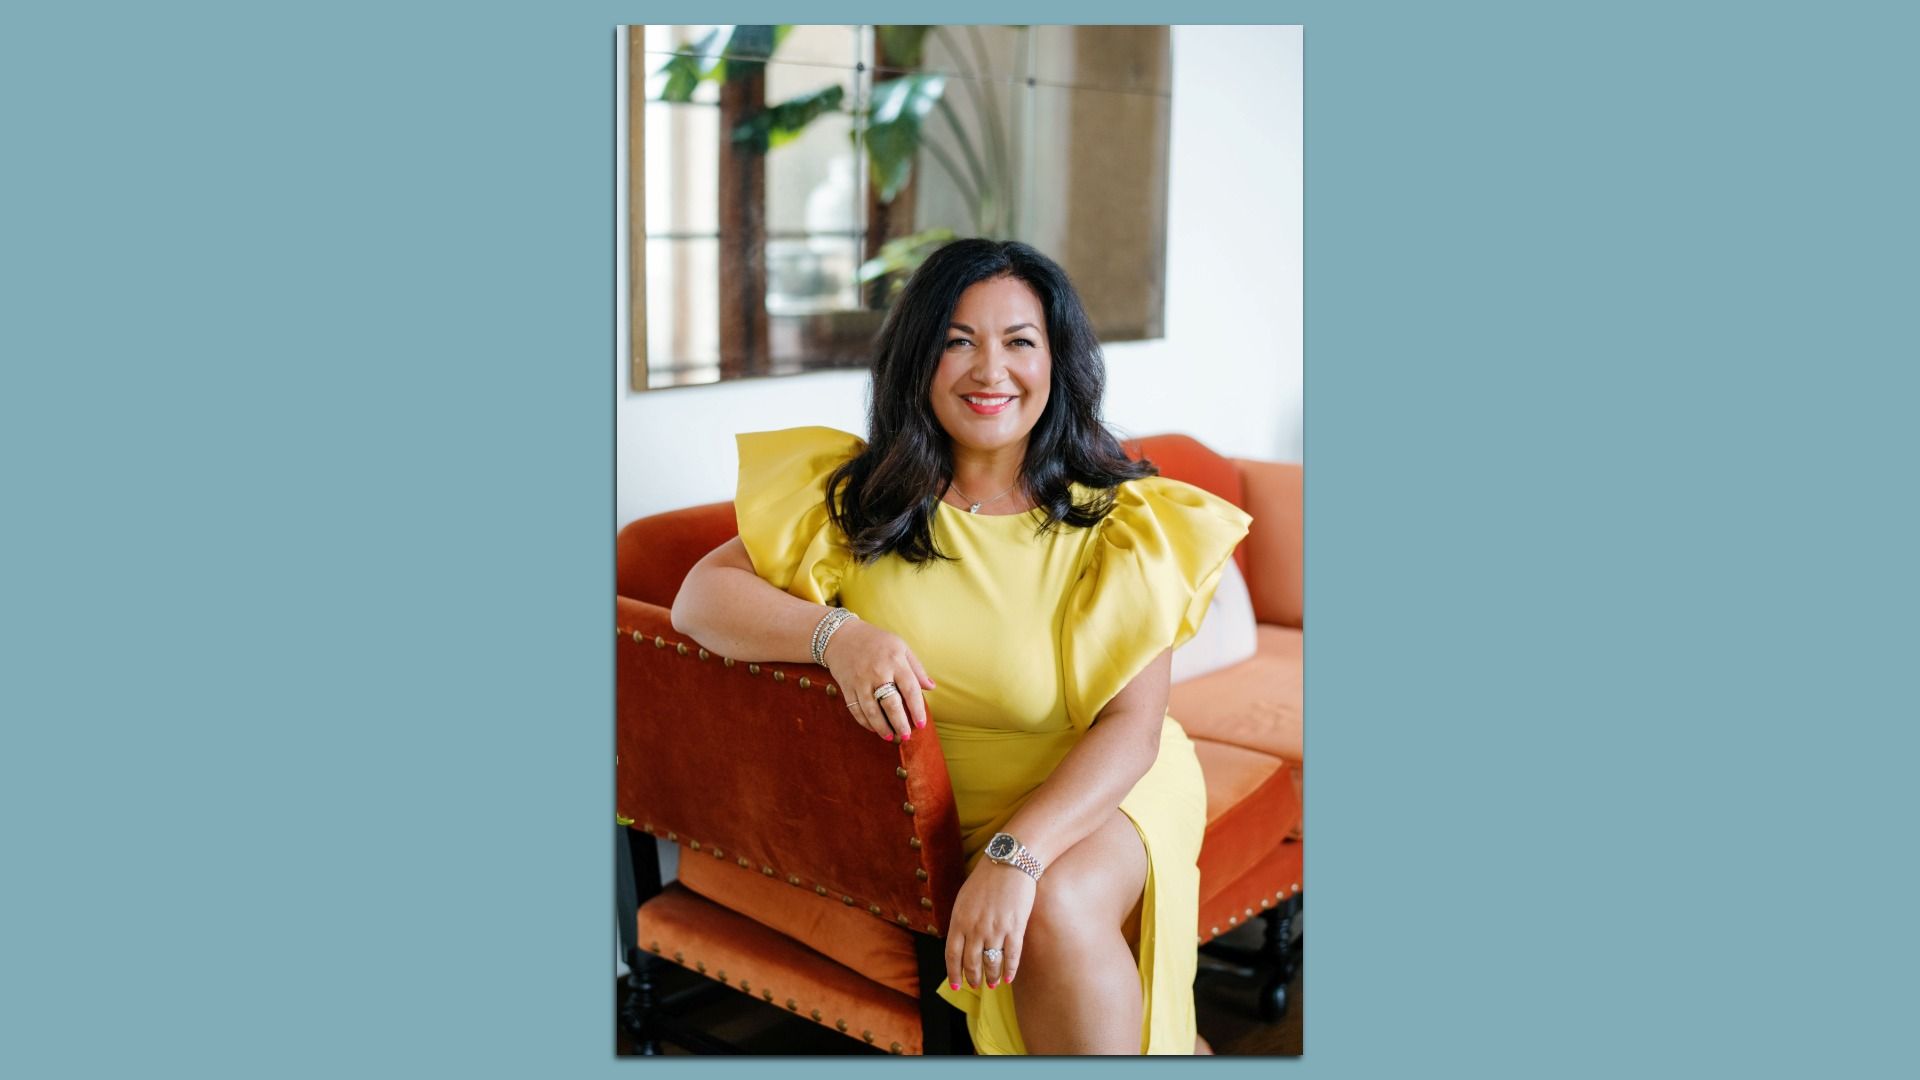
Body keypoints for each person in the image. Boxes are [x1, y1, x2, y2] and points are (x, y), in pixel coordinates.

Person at [670, 238, 1250, 1055]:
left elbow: (1133, 729)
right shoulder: (859, 503)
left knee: (1054, 905)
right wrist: (837, 635)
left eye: (1019, 342)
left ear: (1057, 363)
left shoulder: (1120, 521)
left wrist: (1017, 859)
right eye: (958, 341)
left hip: (1098, 785)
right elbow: (699, 600)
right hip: (945, 815)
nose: (990, 371)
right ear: (918, 359)